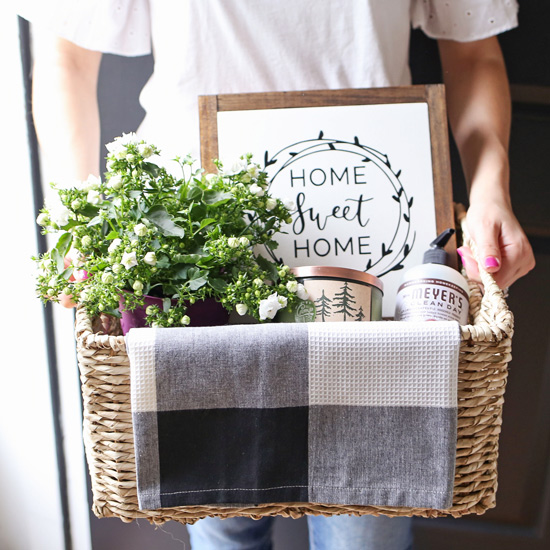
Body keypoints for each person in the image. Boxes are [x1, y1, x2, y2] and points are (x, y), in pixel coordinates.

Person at [18, 1, 535, 549]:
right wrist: (83, 221)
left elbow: (474, 50)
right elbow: (65, 57)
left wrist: (490, 192)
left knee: (366, 535)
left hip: (376, 262)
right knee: (226, 531)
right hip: (189, 267)